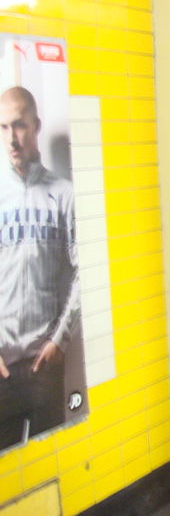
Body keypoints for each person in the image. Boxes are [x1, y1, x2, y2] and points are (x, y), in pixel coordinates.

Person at [0, 86, 80, 449]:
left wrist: (60, 340)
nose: (11, 138)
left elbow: (84, 271)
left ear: (36, 126)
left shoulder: (63, 195)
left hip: (44, 364)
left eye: (18, 125)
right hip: (2, 366)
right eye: (3, 128)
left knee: (53, 457)